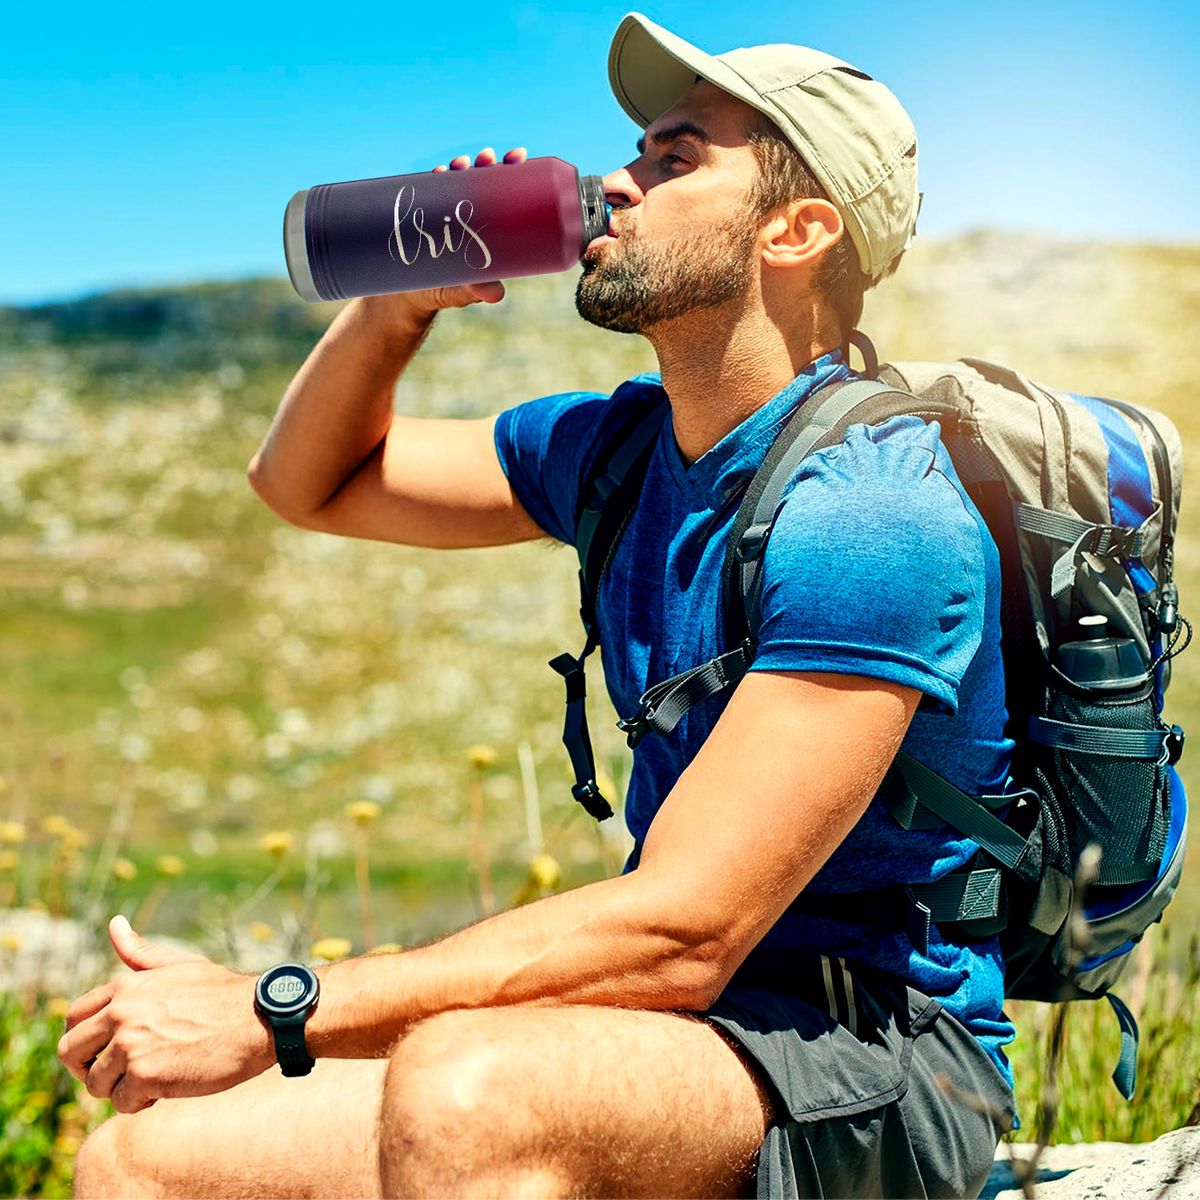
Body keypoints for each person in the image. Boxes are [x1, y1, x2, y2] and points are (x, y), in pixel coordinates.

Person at [60, 12, 1018, 1199]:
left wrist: (276, 1011)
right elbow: (311, 485)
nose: (616, 181)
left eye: (674, 159)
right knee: (146, 1160)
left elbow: (682, 931)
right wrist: (395, 304)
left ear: (798, 228)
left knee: (469, 1091)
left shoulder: (875, 513)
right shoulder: (613, 448)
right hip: (681, 1037)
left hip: (880, 1060)